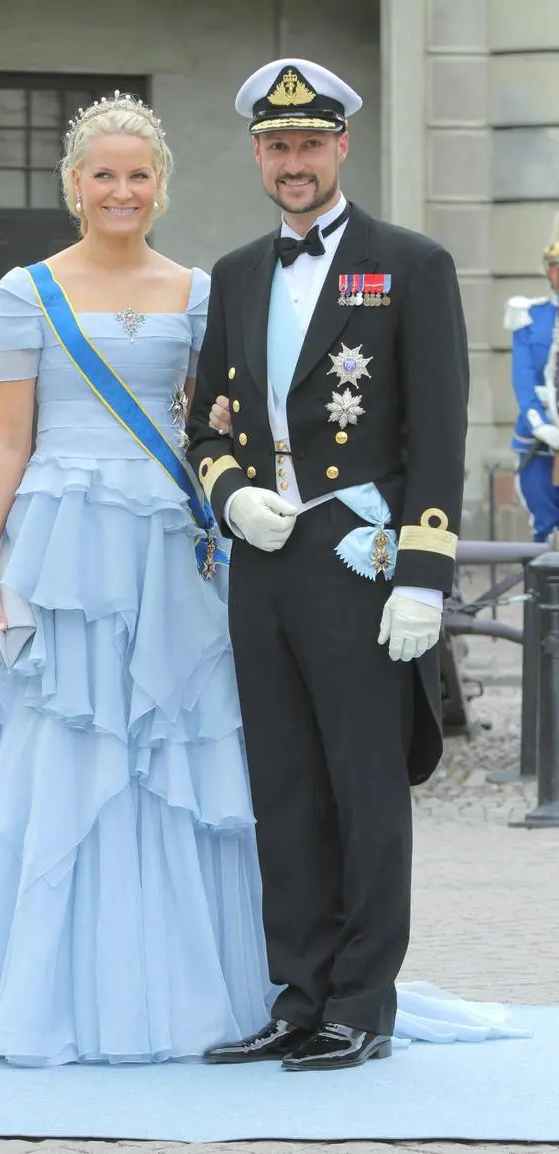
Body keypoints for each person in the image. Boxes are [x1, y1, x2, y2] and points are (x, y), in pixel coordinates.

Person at [0, 91, 273, 1066]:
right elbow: (8, 438)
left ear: (159, 186)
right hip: (62, 548)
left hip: (168, 541)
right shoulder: (23, 291)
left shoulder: (196, 290)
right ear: (73, 185)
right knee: (72, 755)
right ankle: (54, 1001)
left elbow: (208, 425)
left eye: (138, 174)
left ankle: (185, 996)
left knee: (173, 754)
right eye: (103, 173)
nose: (120, 189)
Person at [186, 58, 470, 1071]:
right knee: (286, 787)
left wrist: (424, 575)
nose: (292, 161)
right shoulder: (231, 274)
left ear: (342, 145)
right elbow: (204, 423)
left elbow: (439, 434)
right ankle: (298, 993)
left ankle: (360, 1001)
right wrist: (229, 494)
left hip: (361, 558)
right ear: (258, 154)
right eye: (276, 145)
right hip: (264, 558)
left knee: (363, 787)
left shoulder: (410, 264)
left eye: (309, 143)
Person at [504, 212, 559, 542]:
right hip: (541, 436)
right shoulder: (529, 316)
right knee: (544, 521)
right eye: (555, 266)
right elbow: (523, 379)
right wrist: (542, 426)